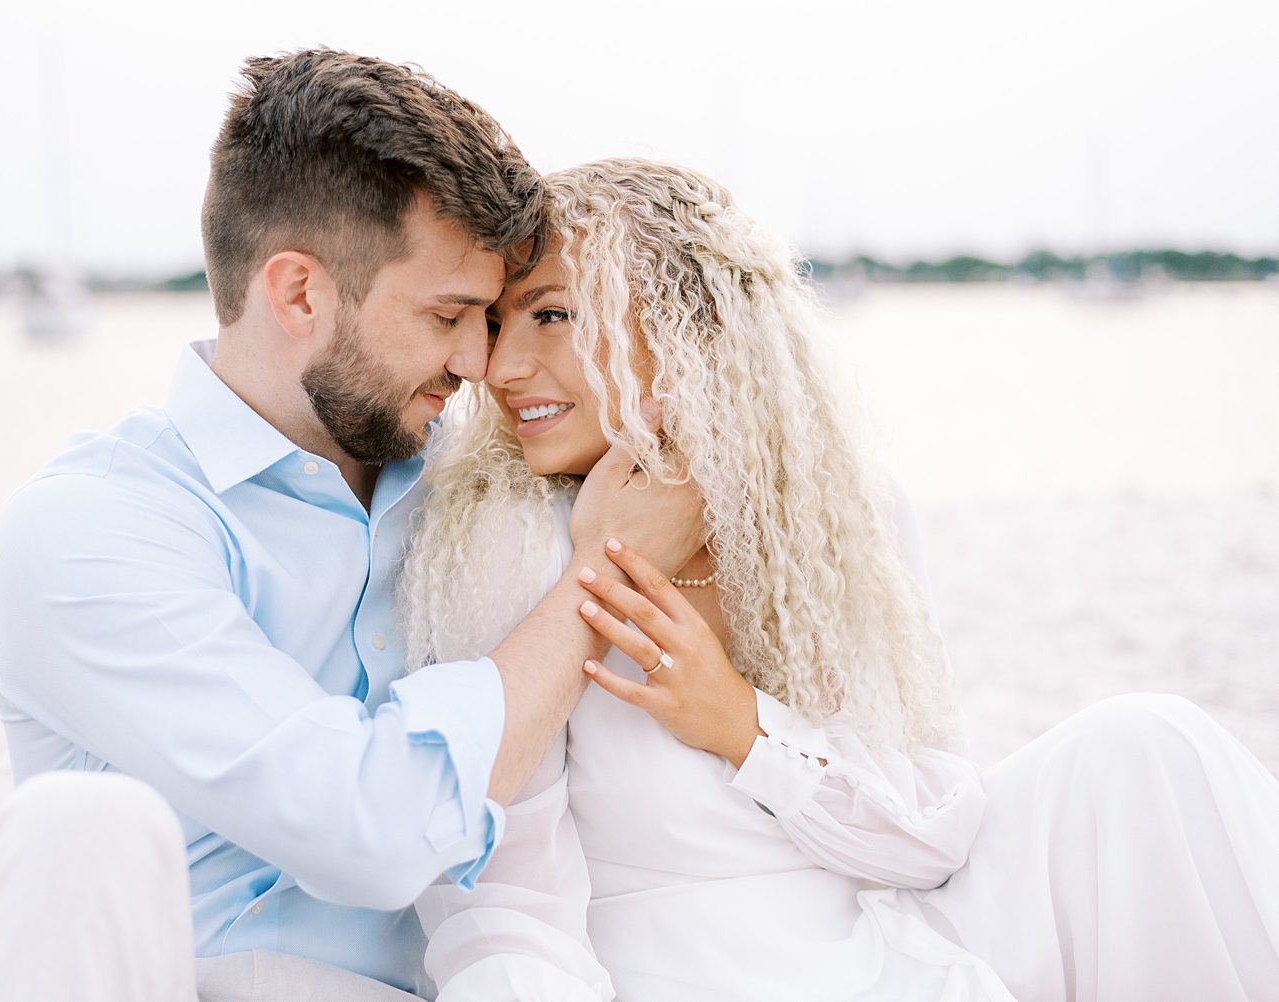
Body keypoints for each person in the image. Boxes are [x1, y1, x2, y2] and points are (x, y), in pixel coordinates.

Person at [402, 157, 1279, 1001]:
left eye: (550, 315)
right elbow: (501, 898)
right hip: (683, 972)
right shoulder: (508, 540)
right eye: (495, 323)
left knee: (1149, 748)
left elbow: (936, 834)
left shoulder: (831, 524)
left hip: (889, 935)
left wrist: (746, 729)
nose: (499, 366)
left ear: (683, 327)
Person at [0, 55, 704, 1000]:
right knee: (73, 825)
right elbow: (371, 834)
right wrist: (597, 583)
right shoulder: (93, 526)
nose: (481, 362)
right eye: (450, 315)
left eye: (492, 317)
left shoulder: (480, 506)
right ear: (299, 294)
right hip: (174, 981)